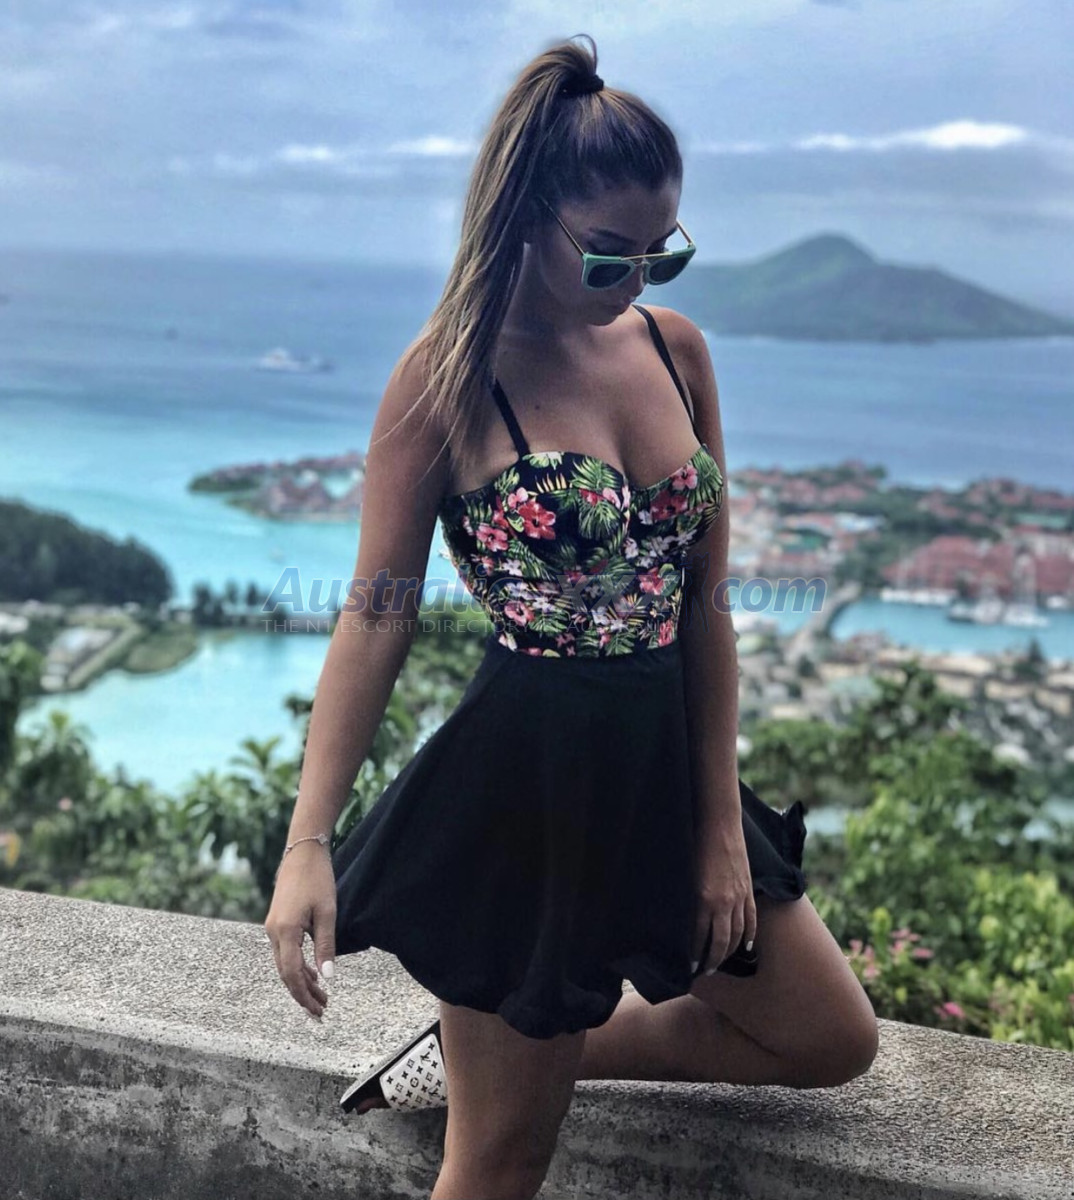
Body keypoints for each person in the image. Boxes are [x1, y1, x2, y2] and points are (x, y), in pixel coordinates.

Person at [265, 32, 879, 1200]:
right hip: (526, 787)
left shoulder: (676, 352)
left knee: (828, 1037)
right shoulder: (446, 378)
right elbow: (377, 614)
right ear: (526, 219)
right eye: (610, 256)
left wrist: (718, 825)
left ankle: (497, 1061)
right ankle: (496, 1074)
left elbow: (705, 604)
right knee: (502, 1163)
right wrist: (308, 844)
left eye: (664, 253)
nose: (637, 282)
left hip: (665, 768)